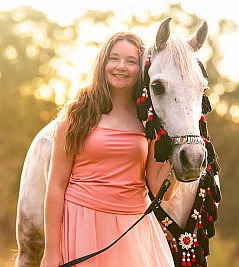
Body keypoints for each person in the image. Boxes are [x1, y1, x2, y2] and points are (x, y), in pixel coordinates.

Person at [40, 31, 177, 267]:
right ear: (103, 63)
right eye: (114, 58)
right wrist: (51, 251)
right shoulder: (77, 114)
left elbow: (162, 190)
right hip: (83, 223)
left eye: (131, 61)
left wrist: (179, 149)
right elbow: (56, 186)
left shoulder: (149, 119)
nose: (121, 67)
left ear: (141, 68)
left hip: (133, 229)